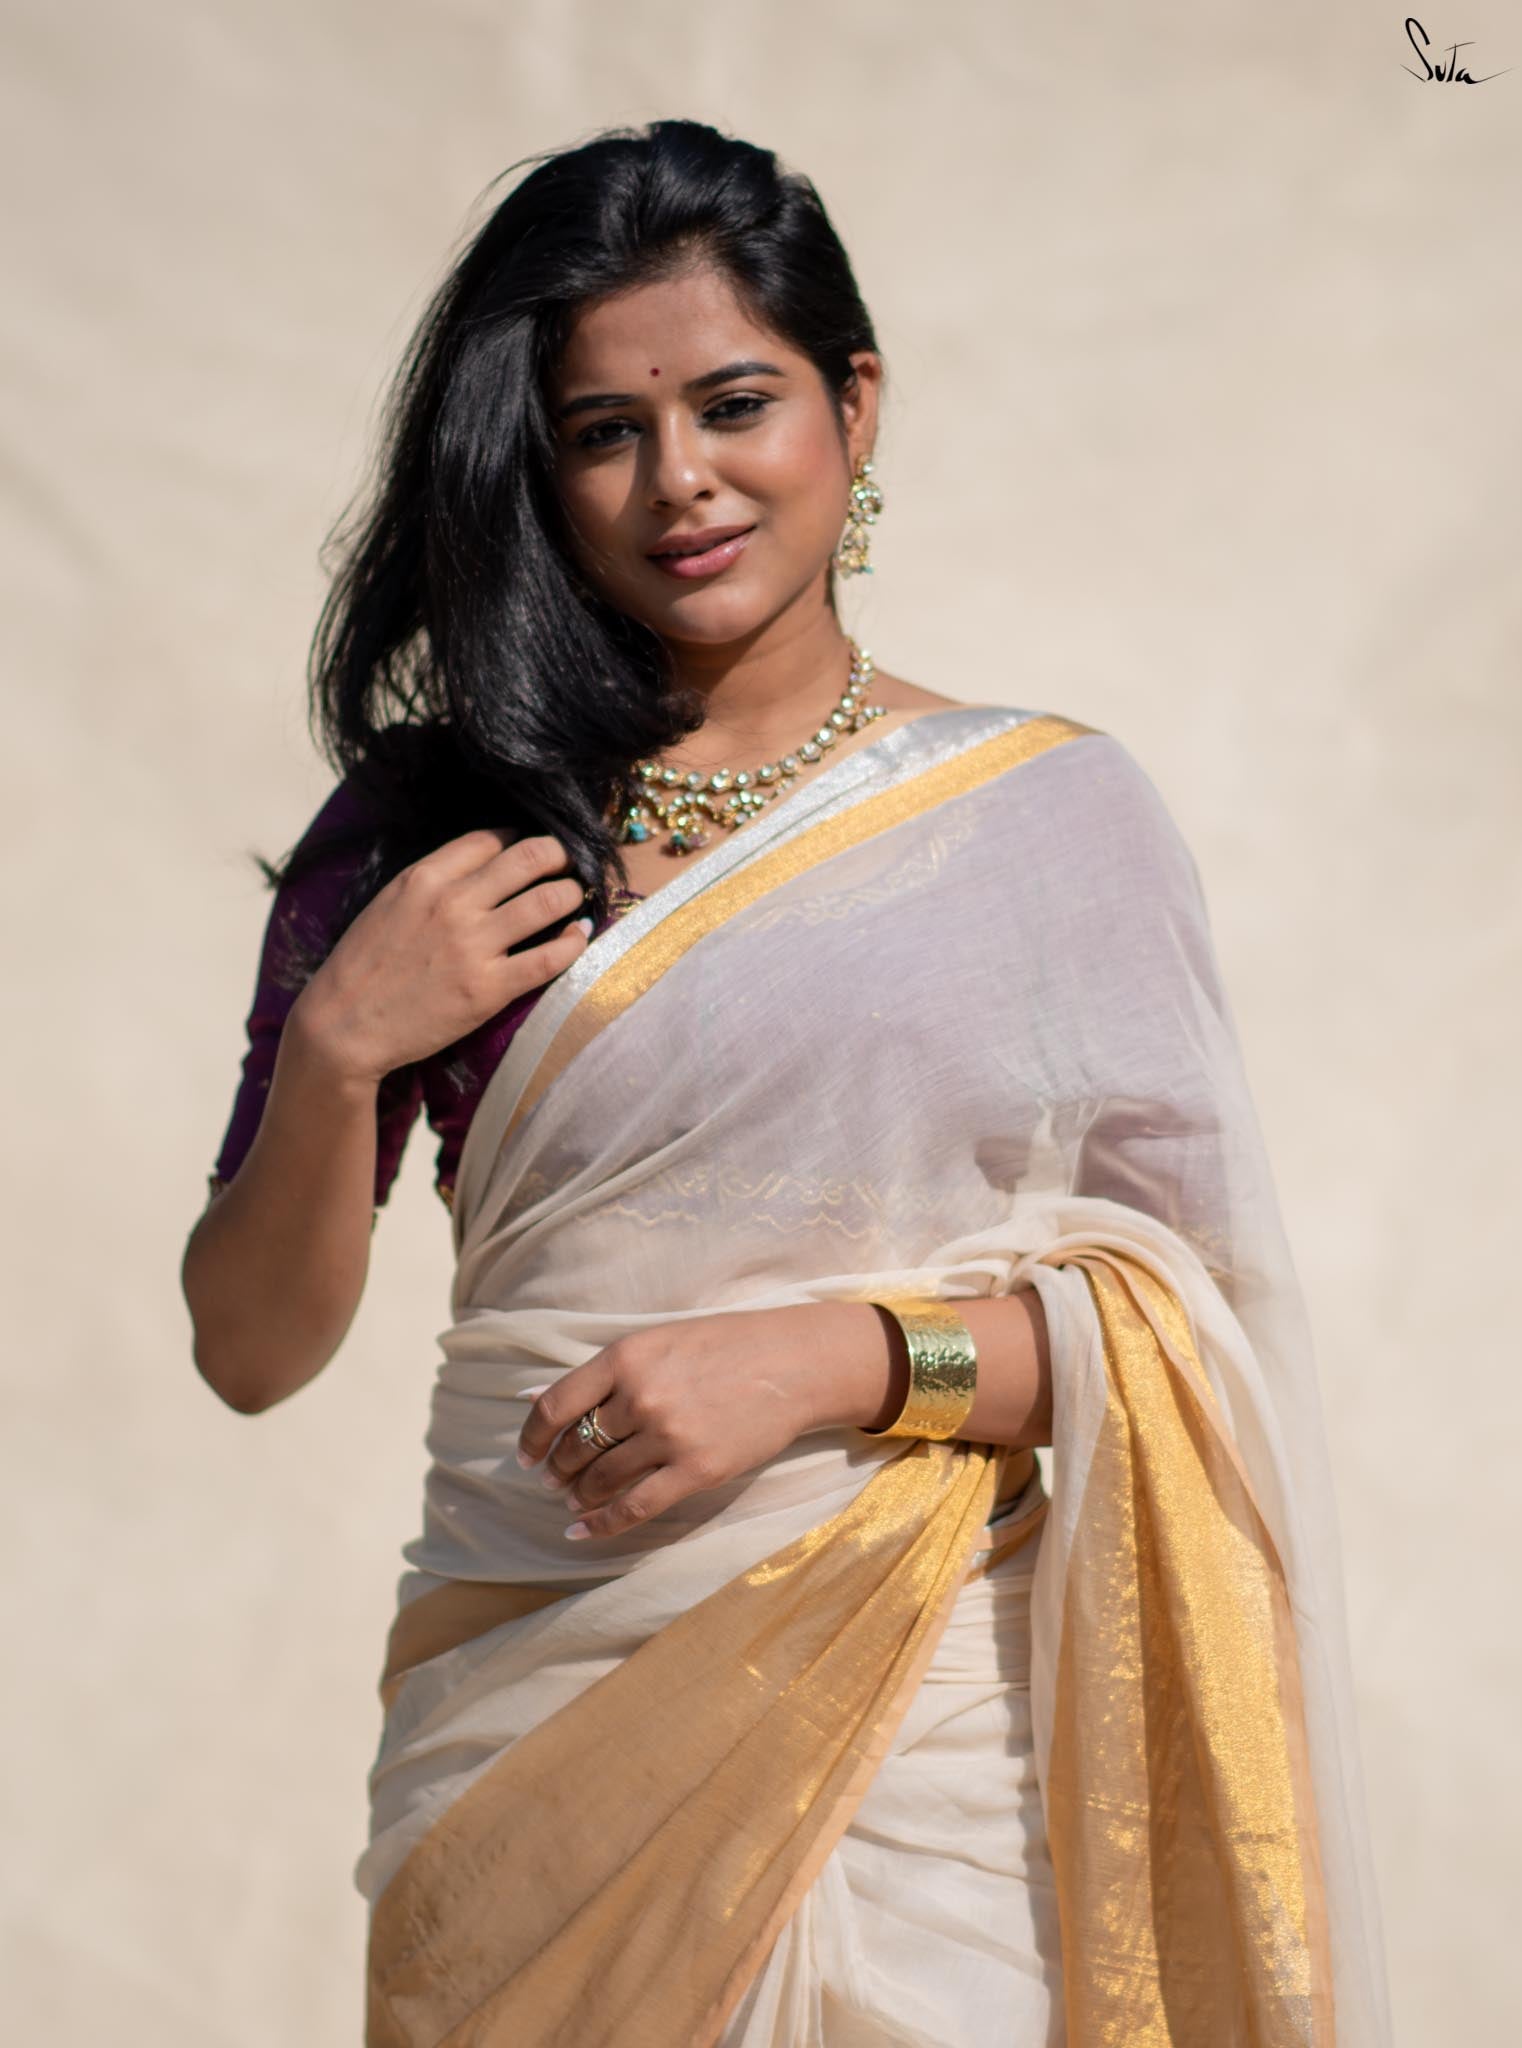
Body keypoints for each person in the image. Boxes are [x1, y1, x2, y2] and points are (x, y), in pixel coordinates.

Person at [181, 118, 1394, 2046]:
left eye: (735, 405)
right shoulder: (437, 829)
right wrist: (339, 1048)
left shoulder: (1045, 823)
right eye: (604, 431)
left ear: (854, 405)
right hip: (538, 1742)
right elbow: (250, 1351)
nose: (680, 479)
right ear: (538, 469)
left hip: (934, 1768)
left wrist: (835, 1363)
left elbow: (1190, 1337)